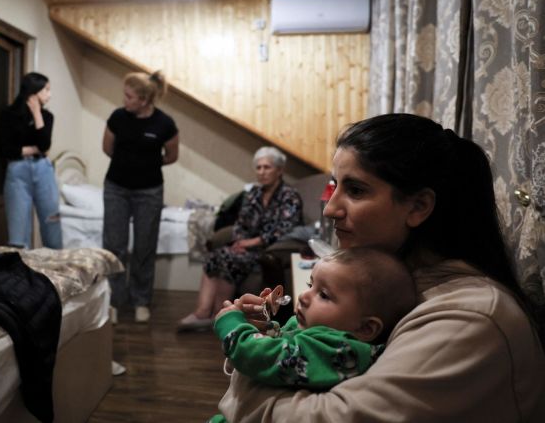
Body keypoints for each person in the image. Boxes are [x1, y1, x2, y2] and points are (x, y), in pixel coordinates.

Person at [216, 113, 545, 422]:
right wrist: (266, 335)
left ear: (418, 206)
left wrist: (248, 365)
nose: (330, 208)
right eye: (335, 186)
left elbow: (328, 415)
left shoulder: (471, 318)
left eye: (355, 190)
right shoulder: (400, 283)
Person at [208, 247, 415, 423]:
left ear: (365, 329)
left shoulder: (338, 348)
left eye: (324, 295)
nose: (304, 296)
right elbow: (286, 340)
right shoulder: (313, 329)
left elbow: (264, 357)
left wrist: (234, 325)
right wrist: (263, 328)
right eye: (310, 285)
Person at [177, 146, 304, 331]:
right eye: (258, 168)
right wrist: (238, 241)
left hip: (267, 251)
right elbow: (241, 223)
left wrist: (251, 243)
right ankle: (203, 313)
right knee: (216, 255)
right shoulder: (253, 193)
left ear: (279, 170)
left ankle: (222, 315)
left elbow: (285, 229)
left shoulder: (290, 196)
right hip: (246, 248)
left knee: (228, 259)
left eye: (267, 167)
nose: (262, 172)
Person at [102, 70, 179, 323]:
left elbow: (171, 156)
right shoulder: (117, 117)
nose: (124, 100)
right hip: (116, 188)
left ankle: (141, 301)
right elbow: (107, 148)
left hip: (149, 191)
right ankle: (113, 301)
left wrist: (145, 165)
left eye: (129, 96)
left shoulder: (165, 124)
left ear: (145, 100)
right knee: (114, 245)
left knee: (145, 246)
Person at [0, 72, 62, 249]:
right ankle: (20, 270)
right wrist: (33, 149)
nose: (50, 94)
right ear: (34, 91)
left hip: (43, 169)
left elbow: (43, 144)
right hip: (17, 172)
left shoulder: (47, 117)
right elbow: (5, 149)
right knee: (18, 231)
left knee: (52, 221)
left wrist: (36, 112)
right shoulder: (8, 114)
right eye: (46, 90)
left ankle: (56, 266)